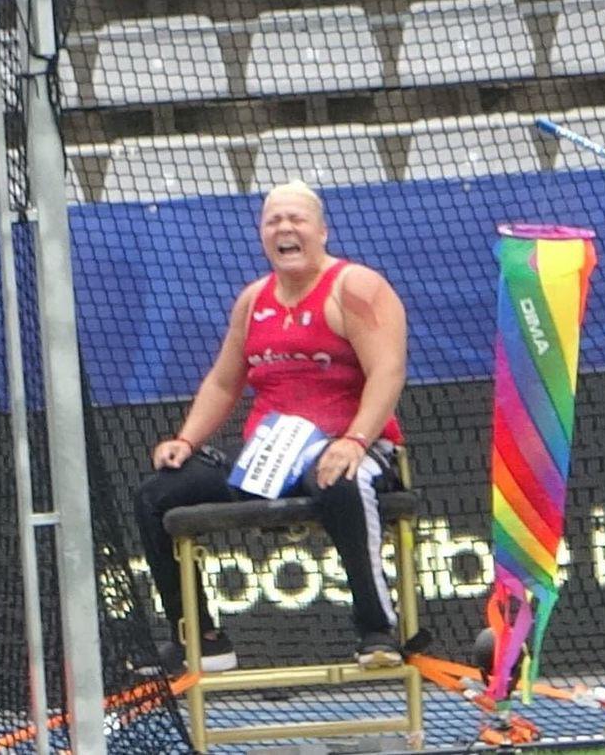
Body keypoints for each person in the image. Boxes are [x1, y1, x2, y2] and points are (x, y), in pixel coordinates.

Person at [135, 180, 409, 674]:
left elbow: (388, 371)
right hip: (269, 457)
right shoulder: (252, 300)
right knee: (157, 494)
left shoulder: (357, 288)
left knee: (340, 478)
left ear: (322, 231)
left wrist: (353, 441)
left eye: (296, 219)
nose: (285, 228)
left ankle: (377, 630)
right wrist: (185, 440)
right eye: (273, 221)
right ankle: (202, 637)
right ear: (262, 235)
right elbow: (223, 381)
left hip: (348, 446)